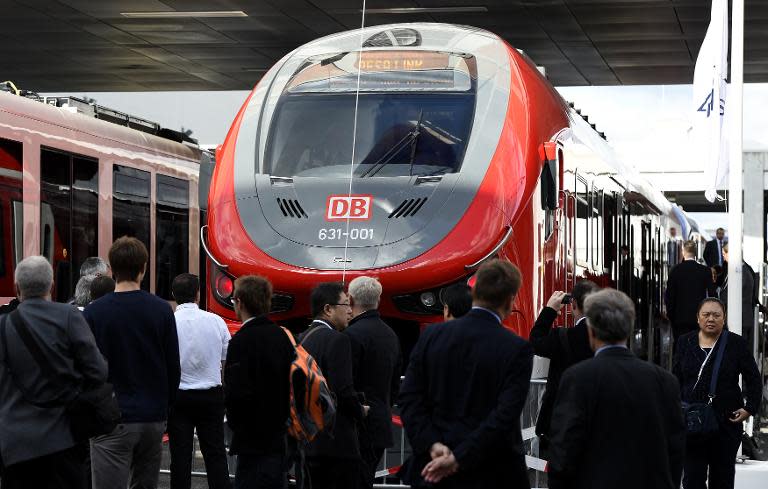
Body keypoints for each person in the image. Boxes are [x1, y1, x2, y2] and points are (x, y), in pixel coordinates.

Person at [399, 259, 533, 488]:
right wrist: (459, 457)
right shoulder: (516, 348)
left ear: (474, 292)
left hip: (433, 470)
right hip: (492, 472)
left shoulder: (432, 336)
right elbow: (504, 416)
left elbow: (410, 399)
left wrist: (432, 444)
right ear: (510, 300)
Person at [547, 289, 685, 489]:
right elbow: (675, 450)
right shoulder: (666, 381)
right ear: (629, 329)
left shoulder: (577, 378)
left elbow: (564, 451)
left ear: (591, 331)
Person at [0, 256, 108, 489]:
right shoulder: (68, 317)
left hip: (15, 445)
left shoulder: (3, 326)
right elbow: (98, 371)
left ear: (16, 288)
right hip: (63, 440)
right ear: (51, 286)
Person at [84, 237, 181, 489]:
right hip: (152, 418)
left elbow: (87, 369)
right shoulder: (162, 310)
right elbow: (173, 366)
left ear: (112, 271)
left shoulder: (95, 312)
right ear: (144, 268)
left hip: (111, 418)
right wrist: (164, 406)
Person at [673, 298, 762, 489]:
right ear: (698, 318)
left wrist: (749, 408)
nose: (710, 319)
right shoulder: (685, 341)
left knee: (722, 479)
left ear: (724, 318)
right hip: (693, 422)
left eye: (716, 315)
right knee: (692, 479)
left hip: (726, 422)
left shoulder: (736, 344)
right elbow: (676, 378)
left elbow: (753, 378)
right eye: (706, 315)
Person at [224, 275, 294, 489]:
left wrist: (235, 426)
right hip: (278, 434)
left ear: (240, 302)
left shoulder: (240, 341)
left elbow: (236, 393)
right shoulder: (282, 336)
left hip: (250, 439)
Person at [300, 282, 367, 489]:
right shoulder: (338, 340)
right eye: (346, 304)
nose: (350, 310)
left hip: (308, 439)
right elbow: (343, 390)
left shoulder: (301, 338)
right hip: (337, 442)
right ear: (328, 309)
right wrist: (360, 411)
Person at [168, 273, 231, 489]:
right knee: (215, 455)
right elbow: (226, 360)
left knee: (180, 457)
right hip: (211, 395)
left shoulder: (169, 323)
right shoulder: (216, 321)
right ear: (198, 293)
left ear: (173, 295)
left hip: (179, 396)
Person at [528, 280, 599, 454]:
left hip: (562, 420)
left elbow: (535, 340)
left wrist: (550, 310)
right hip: (596, 417)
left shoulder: (563, 337)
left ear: (573, 304)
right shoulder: (609, 336)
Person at [344, 276, 402, 488]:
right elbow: (395, 383)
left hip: (357, 425)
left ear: (350, 299)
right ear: (378, 299)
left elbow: (346, 381)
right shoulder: (391, 335)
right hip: (381, 422)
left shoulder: (351, 335)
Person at [666, 240, 716, 341]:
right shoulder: (705, 271)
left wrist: (671, 316)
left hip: (679, 320)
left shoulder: (675, 270)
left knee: (681, 348)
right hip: (699, 320)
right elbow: (712, 295)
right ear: (696, 253)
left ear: (683, 252)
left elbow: (669, 297)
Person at [718, 243, 758, 350]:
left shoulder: (740, 272)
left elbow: (731, 295)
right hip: (737, 319)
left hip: (740, 320)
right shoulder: (736, 270)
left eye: (724, 253)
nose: (723, 256)